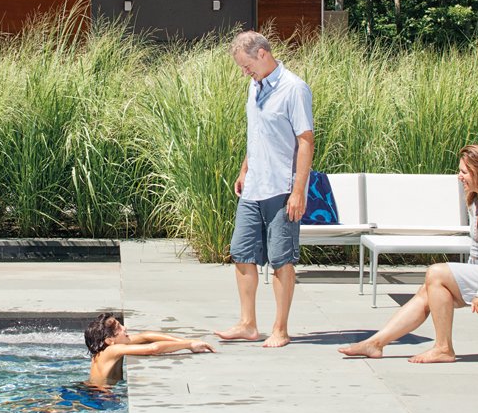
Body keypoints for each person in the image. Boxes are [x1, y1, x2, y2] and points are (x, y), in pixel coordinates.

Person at [339, 143, 478, 363]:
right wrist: (466, 277)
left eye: (464, 172)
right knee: (429, 290)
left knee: (435, 272)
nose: (459, 177)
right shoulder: (475, 199)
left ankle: (443, 348)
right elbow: (477, 247)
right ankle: (375, 343)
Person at [214, 30, 315, 349]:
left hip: (281, 188)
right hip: (254, 186)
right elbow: (256, 133)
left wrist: (298, 191)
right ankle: (247, 324)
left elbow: (305, 141)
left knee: (281, 260)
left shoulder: (294, 88)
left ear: (262, 54)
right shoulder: (253, 87)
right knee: (242, 253)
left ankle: (280, 329)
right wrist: (244, 169)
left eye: (246, 65)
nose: (244, 72)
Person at [85, 312, 214, 388]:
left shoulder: (109, 346)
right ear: (109, 340)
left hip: (97, 391)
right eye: (119, 328)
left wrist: (187, 342)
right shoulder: (112, 350)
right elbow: (152, 349)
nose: (124, 328)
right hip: (98, 396)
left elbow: (146, 336)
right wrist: (188, 345)